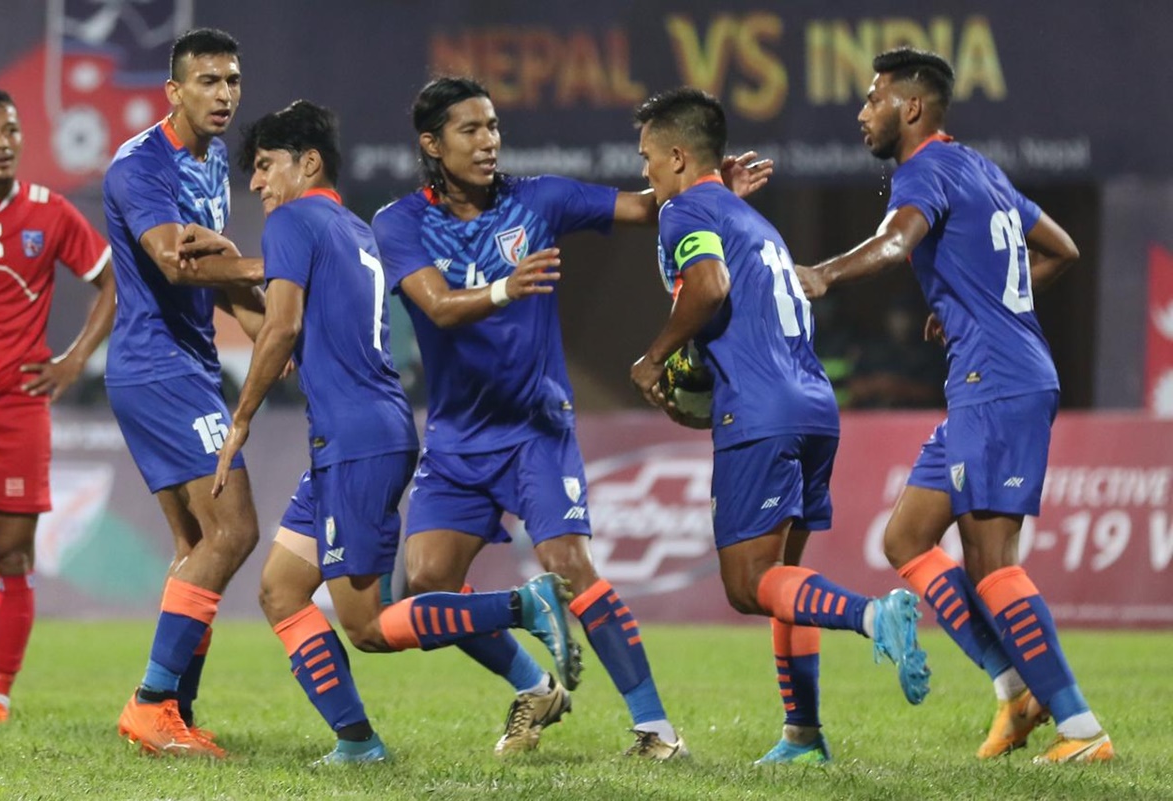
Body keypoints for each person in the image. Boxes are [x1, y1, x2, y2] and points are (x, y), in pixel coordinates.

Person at [371, 76, 771, 759]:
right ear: (432, 145)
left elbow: (645, 207)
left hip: (535, 428)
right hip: (456, 439)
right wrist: (506, 285)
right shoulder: (399, 221)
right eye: (471, 130)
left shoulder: (540, 198)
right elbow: (435, 305)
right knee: (430, 589)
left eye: (493, 126)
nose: (489, 140)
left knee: (569, 565)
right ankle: (535, 683)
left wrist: (703, 184)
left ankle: (656, 731)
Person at [194, 99, 581, 764]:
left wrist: (240, 419)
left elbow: (282, 328)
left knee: (368, 625)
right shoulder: (348, 228)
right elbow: (291, 341)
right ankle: (357, 741)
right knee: (282, 588)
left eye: (263, 166)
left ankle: (523, 604)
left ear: (306, 162)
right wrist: (231, 284)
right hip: (359, 433)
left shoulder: (291, 220)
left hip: (354, 440)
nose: (255, 183)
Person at [794, 47, 1112, 764]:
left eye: (873, 98)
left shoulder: (925, 171)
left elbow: (894, 240)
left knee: (991, 562)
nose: (862, 111)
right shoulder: (979, 167)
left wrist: (825, 273)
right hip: (986, 377)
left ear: (910, 108)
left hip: (996, 381)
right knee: (906, 538)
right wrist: (981, 300)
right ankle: (1015, 691)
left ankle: (1082, 728)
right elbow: (1060, 250)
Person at [627, 87, 931, 765]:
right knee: (785, 576)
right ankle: (802, 734)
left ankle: (872, 615)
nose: (643, 170)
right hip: (814, 403)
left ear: (678, 157)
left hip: (760, 410)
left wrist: (654, 359)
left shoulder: (684, 211)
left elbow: (707, 287)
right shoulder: (749, 220)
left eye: (648, 156)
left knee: (746, 583)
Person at [102, 28, 265, 758]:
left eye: (231, 80)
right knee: (235, 529)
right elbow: (174, 261)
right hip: (156, 365)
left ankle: (174, 712)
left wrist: (269, 332)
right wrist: (279, 265)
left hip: (187, 363)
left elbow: (219, 274)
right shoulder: (142, 167)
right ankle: (147, 702)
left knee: (196, 543)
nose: (224, 94)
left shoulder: (216, 158)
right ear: (174, 90)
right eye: (207, 81)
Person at [0, 86, 115, 724]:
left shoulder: (49, 212)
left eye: (9, 130)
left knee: (12, 556)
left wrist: (74, 360)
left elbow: (113, 281)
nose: (2, 143)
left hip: (15, 406)